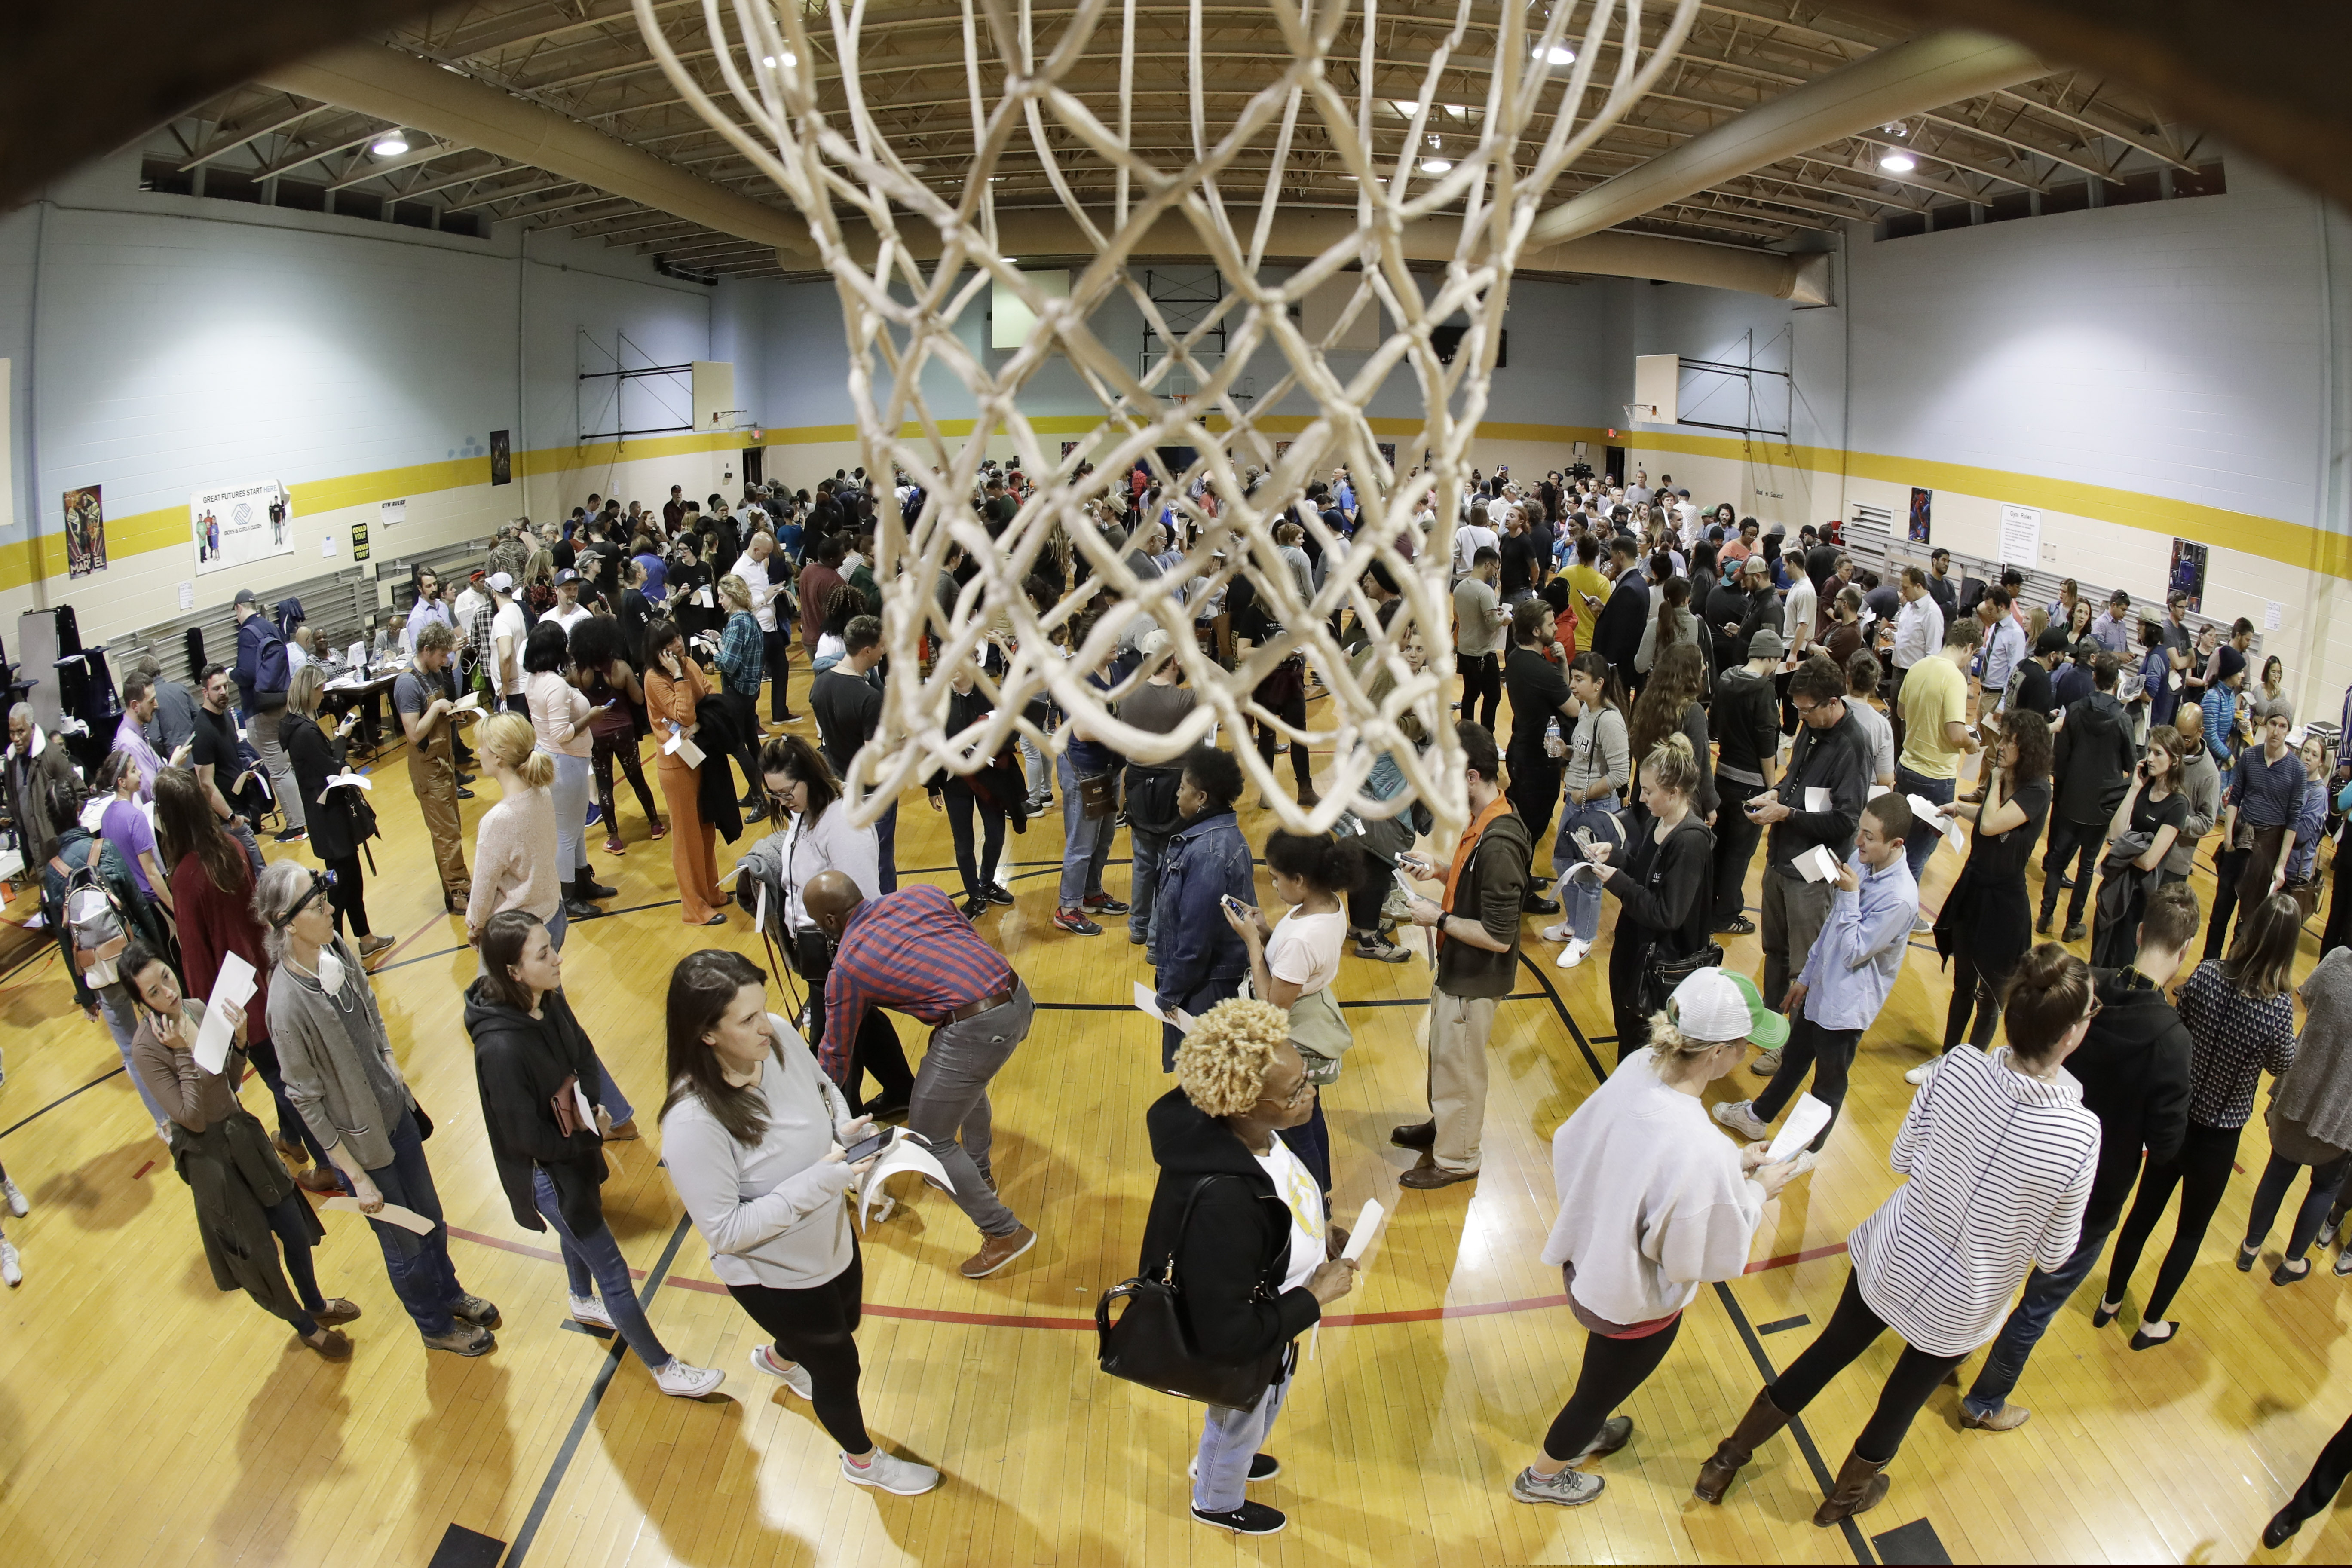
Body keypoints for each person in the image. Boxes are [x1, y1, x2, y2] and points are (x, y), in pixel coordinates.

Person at [1695, 942, 2100, 1526]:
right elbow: (2056, 1253)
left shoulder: (1959, 1065)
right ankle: (1844, 1498)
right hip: (1965, 1301)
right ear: (2069, 1036)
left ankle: (1726, 1460)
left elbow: (1904, 1156)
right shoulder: (2080, 1134)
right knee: (1902, 1400)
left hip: (1893, 1254)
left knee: (1827, 1352)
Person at [1514, 969, 1799, 1507]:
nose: (1745, 1056)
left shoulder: (1638, 1066)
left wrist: (1731, 1168)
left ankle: (1585, 1428)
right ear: (1717, 1053)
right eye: (1743, 1046)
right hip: (1630, 1300)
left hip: (1591, 1256)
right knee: (1596, 1392)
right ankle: (1543, 1477)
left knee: (1598, 1377)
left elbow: (1616, 1153)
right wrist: (1757, 1194)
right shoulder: (1698, 1144)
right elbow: (1700, 1253)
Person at [658, 949, 933, 1491]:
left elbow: (823, 1089)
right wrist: (827, 1178)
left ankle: (783, 1357)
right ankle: (862, 1462)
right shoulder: (692, 1122)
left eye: (763, 1010)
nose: (768, 1026)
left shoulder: (779, 1035)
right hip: (776, 1276)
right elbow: (726, 1231)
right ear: (706, 1034)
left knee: (847, 1318)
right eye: (747, 1020)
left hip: (831, 1239)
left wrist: (841, 1132)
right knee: (838, 1367)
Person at [1954, 883, 2196, 1430]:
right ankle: (1985, 1399)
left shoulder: (2086, 987)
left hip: (2035, 1157)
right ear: (2184, 953)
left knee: (1995, 1269)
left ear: (2138, 933)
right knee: (2039, 1302)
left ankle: (1951, 1349)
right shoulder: (2171, 1042)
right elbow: (2166, 1147)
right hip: (2096, 1192)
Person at [464, 912, 722, 1394]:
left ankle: (581, 1299)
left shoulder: (547, 998)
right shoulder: (500, 1049)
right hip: (550, 1171)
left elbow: (583, 1053)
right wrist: (590, 1134)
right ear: (513, 972)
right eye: (543, 954)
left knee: (581, 1229)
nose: (557, 957)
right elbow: (525, 1137)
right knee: (614, 1270)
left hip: (576, 1149)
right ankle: (665, 1369)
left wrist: (594, 1107)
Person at [256, 860, 501, 1355]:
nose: (329, 906)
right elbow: (303, 1098)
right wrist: (354, 1175)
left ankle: (449, 1292)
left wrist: (391, 1067)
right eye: (317, 902)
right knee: (404, 1243)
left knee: (429, 1216)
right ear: (286, 921)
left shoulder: (337, 949)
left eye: (325, 896)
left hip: (395, 1113)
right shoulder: (284, 1005)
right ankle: (434, 1325)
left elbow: (369, 1005)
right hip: (362, 1148)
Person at [1140, 996, 1358, 1535]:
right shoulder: (1223, 1203)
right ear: (1241, 1103)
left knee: (1248, 1417)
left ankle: (1223, 1460)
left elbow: (1279, 1199)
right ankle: (1215, 1499)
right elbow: (1231, 1336)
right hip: (1252, 1337)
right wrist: (1316, 1297)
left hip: (1270, 1310)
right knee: (1240, 1416)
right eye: (1293, 1092)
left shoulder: (1252, 1135)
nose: (1310, 1092)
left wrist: (1316, 1231)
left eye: (1305, 1076)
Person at [122, 939, 360, 1357]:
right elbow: (192, 1118)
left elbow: (229, 1082)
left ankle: (316, 1303)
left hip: (242, 1134)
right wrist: (181, 1055)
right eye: (154, 992)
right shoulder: (147, 1050)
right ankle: (305, 1326)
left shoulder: (196, 1008)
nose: (168, 992)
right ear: (141, 1003)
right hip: (210, 1160)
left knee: (292, 1225)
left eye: (165, 977)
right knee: (259, 1254)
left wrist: (240, 1042)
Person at [804, 871, 1040, 1279]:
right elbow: (959, 949)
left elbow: (837, 1054)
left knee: (930, 1142)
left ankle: (1004, 1233)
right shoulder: (923, 894)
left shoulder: (847, 967)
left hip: (975, 1028)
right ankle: (979, 1172)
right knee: (965, 1085)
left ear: (828, 922)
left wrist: (817, 1105)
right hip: (1018, 997)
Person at [2097, 893, 2302, 1347]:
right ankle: (2150, 1324)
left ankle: (2110, 1301)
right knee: (2190, 1230)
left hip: (2177, 1115)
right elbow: (2283, 1062)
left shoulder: (2208, 973)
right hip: (2220, 1135)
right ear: (2288, 948)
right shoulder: (2276, 1007)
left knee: (2143, 1213)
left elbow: (2179, 1018)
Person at [156, 766, 339, 1191]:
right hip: (270, 976)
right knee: (288, 1069)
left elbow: (196, 957)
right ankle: (292, 1139)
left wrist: (203, 1020)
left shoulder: (184, 877)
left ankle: (330, 1164)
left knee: (284, 1082)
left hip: (236, 1000)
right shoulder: (233, 847)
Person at [1716, 793, 1918, 1170]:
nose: (1858, 843)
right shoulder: (1861, 860)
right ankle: (1758, 1118)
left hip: (1847, 1006)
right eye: (1860, 831)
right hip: (1821, 988)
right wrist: (1805, 977)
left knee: (1828, 1082)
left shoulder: (1901, 899)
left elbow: (1852, 951)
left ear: (1896, 844)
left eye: (1870, 837)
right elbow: (1827, 934)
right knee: (1793, 1057)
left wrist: (1850, 896)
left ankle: (1809, 1151)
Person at [735, 735, 910, 1118]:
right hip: (818, 949)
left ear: (810, 777)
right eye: (775, 796)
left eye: (786, 792)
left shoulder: (844, 822)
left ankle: (842, 1122)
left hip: (842, 952)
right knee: (862, 1022)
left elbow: (859, 898)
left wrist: (850, 964)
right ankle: (902, 1090)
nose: (783, 802)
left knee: (833, 1041)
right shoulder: (806, 810)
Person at [1389, 722, 1530, 1190]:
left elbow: (1499, 936)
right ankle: (1445, 1128)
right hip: (1457, 970)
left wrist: (1439, 919)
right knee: (1446, 1059)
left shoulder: (1501, 843)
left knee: (1463, 1071)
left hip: (1475, 976)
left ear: (1472, 776)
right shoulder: (1484, 818)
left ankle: (1458, 1158)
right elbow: (1475, 882)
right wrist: (1442, 870)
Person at [1744, 655, 1871, 1077]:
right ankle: (1770, 1027)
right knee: (1774, 953)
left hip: (1817, 866)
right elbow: (1801, 786)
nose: (1799, 716)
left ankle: (1788, 1047)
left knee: (1804, 966)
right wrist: (1776, 794)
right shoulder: (1811, 728)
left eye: (1805, 710)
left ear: (1832, 703)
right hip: (1783, 856)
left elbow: (1845, 820)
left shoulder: (1854, 745)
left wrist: (1788, 814)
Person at [40, 768, 178, 1135]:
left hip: (99, 970)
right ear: (81, 807)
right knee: (166, 1018)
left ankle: (164, 1124)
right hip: (133, 956)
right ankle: (191, 1092)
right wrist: (159, 953)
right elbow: (137, 906)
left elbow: (64, 940)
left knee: (132, 1051)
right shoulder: (105, 850)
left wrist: (85, 993)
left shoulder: (53, 874)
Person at [1223, 830, 1360, 1197]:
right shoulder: (1328, 904)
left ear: (1299, 879)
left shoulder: (1304, 938)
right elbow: (1290, 961)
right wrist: (1266, 931)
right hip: (1310, 1012)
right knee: (1309, 1114)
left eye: (1275, 877)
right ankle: (1323, 1188)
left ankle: (1318, 1203)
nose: (1273, 884)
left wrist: (1252, 942)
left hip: (1296, 1031)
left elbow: (1272, 1007)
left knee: (1296, 1124)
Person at [1574, 735, 1715, 1063]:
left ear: (1674, 792)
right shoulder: (1659, 820)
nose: (1641, 797)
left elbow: (1667, 914)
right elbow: (1647, 873)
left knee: (1647, 1051)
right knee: (1628, 1035)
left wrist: (1619, 883)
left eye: (1649, 791)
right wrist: (1619, 857)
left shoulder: (1690, 842)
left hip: (1660, 966)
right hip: (1635, 948)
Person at [1929, 710, 2052, 1071]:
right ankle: (1947, 1060)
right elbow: (1986, 816)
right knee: (1962, 982)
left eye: (2012, 740)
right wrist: (1958, 809)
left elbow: (1994, 823)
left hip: (2004, 902)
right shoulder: (2007, 781)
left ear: (2028, 748)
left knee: (1990, 996)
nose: (2002, 745)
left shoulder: (2038, 789)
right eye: (2004, 737)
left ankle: (1970, 1069)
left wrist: (1996, 779)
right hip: (1974, 887)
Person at [2237, 939, 2352, 1282]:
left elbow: (2307, 996)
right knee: (2325, 1187)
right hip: (2342, 1113)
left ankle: (2250, 1248)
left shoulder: (2337, 961)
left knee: (2278, 1169)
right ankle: (2292, 1263)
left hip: (2298, 1089)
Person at [1153, 745, 1258, 1070]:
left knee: (1205, 1086)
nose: (1177, 794)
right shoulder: (1219, 837)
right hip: (1208, 982)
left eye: (1183, 788)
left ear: (1201, 798)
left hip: (1205, 990)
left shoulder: (1208, 854)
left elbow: (1195, 943)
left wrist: (1168, 994)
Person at [1540, 652, 1632, 968]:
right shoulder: (1585, 712)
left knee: (1589, 876)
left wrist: (1584, 792)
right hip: (1574, 802)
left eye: (1580, 680)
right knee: (1563, 862)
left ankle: (1584, 939)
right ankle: (1574, 926)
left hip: (1596, 807)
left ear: (1599, 684)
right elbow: (1583, 756)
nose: (1573, 686)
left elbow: (1621, 775)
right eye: (1573, 678)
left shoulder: (1610, 720)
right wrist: (1564, 751)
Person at [2038, 653, 2135, 943]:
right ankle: (2073, 924)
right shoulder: (2122, 719)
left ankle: (2045, 915)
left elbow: (2062, 757)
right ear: (2117, 682)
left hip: (2072, 796)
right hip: (2102, 803)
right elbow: (2132, 763)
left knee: (2057, 860)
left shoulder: (2077, 711)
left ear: (2094, 677)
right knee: (2087, 865)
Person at [522, 623, 615, 921]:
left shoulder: (535, 680)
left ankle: (582, 882)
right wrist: (592, 716)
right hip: (566, 763)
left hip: (557, 761)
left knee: (574, 832)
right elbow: (563, 733)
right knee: (566, 834)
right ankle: (568, 896)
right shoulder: (555, 685)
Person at [643, 618, 730, 927]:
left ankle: (711, 892)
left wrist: (702, 722)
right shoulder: (655, 679)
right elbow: (685, 713)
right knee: (686, 837)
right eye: (668, 645)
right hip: (676, 766)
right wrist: (680, 677)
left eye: (677, 638)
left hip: (699, 758)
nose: (677, 646)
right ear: (656, 653)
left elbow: (712, 697)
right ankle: (693, 908)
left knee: (706, 829)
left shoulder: (689, 662)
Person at [2205, 706, 2306, 962]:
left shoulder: (2297, 771)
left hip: (2266, 850)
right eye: (2273, 724)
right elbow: (2235, 798)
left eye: (2283, 726)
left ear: (2288, 731)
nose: (2277, 731)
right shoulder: (2249, 756)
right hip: (2239, 841)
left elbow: (2293, 821)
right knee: (2219, 915)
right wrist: (2228, 838)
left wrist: (2281, 866)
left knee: (2246, 923)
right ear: (2265, 725)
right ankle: (2206, 971)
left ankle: (2228, 979)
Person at [808, 615, 900, 896]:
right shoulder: (869, 699)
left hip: (839, 788)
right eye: (882, 646)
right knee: (881, 861)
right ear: (867, 651)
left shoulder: (820, 685)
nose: (885, 651)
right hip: (872, 795)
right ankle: (886, 917)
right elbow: (874, 761)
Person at [1119, 629, 1197, 958]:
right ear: (1175, 659)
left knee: (1143, 861)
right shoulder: (1186, 700)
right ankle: (1156, 941)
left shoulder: (1127, 697)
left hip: (1138, 783)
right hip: (1173, 787)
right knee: (1170, 866)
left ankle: (1138, 926)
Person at [923, 657, 1019, 921]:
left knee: (997, 835)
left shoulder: (991, 694)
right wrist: (932, 787)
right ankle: (974, 894)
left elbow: (1013, 732)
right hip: (955, 783)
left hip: (989, 779)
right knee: (964, 844)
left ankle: (987, 881)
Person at [2088, 727, 2188, 969]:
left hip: (2140, 898)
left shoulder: (2177, 804)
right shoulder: (2142, 788)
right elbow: (2114, 834)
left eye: (2158, 754)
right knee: (2098, 960)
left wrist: (2123, 850)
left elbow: (2149, 861)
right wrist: (2134, 788)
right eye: (2149, 752)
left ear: (2174, 761)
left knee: (2123, 963)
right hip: (2115, 886)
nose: (2150, 758)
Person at [394, 624, 476, 911]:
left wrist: (452, 712)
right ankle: (460, 891)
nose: (446, 662)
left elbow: (437, 715)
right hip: (427, 768)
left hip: (444, 761)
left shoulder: (433, 673)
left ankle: (454, 887)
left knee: (450, 828)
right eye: (442, 655)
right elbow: (414, 734)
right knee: (448, 833)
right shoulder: (407, 683)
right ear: (426, 650)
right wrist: (437, 708)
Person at [1708, 628, 1784, 937]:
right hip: (1751, 783)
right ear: (1769, 657)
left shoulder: (1727, 678)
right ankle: (1726, 915)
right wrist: (1772, 787)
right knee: (1740, 854)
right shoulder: (1764, 690)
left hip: (1723, 774)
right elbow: (1767, 743)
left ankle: (1708, 904)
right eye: (1777, 660)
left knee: (1720, 847)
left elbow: (1714, 726)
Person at [1896, 614, 1981, 888]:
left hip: (1907, 766)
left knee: (1899, 843)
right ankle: (1901, 915)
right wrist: (1972, 743)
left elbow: (1900, 712)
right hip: (1935, 776)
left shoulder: (1919, 665)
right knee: (1919, 853)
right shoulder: (1955, 678)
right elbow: (1957, 734)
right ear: (1969, 648)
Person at [1503, 601, 1578, 909]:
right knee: (1532, 829)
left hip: (1521, 749)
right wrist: (1561, 669)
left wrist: (1560, 665)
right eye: (1550, 625)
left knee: (1523, 822)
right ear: (1536, 631)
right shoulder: (1540, 671)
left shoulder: (1516, 659)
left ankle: (1521, 876)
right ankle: (1521, 894)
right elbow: (1574, 708)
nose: (1554, 630)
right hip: (1539, 760)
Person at [570, 615, 666, 854]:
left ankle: (615, 839)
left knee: (604, 787)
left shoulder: (576, 674)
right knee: (637, 779)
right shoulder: (620, 668)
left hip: (595, 737)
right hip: (623, 733)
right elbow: (639, 698)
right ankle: (655, 824)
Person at [229, 588, 305, 844]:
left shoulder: (247, 634)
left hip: (260, 708)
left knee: (278, 770)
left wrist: (231, 674)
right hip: (280, 701)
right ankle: (302, 818)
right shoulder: (270, 627)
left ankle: (297, 825)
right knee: (285, 766)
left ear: (239, 609)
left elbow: (248, 673)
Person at [711, 575, 772, 825]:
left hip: (736, 692)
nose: (719, 601)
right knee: (751, 741)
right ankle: (759, 790)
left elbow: (728, 663)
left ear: (733, 596)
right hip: (750, 690)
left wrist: (714, 650)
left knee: (737, 746)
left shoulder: (737, 623)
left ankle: (761, 800)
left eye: (722, 597)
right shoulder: (749, 618)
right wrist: (719, 638)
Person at [92, 750, 173, 919]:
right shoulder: (136, 817)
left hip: (130, 903)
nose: (141, 773)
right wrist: (174, 907)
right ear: (122, 782)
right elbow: (151, 873)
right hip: (151, 904)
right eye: (135, 770)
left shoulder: (106, 816)